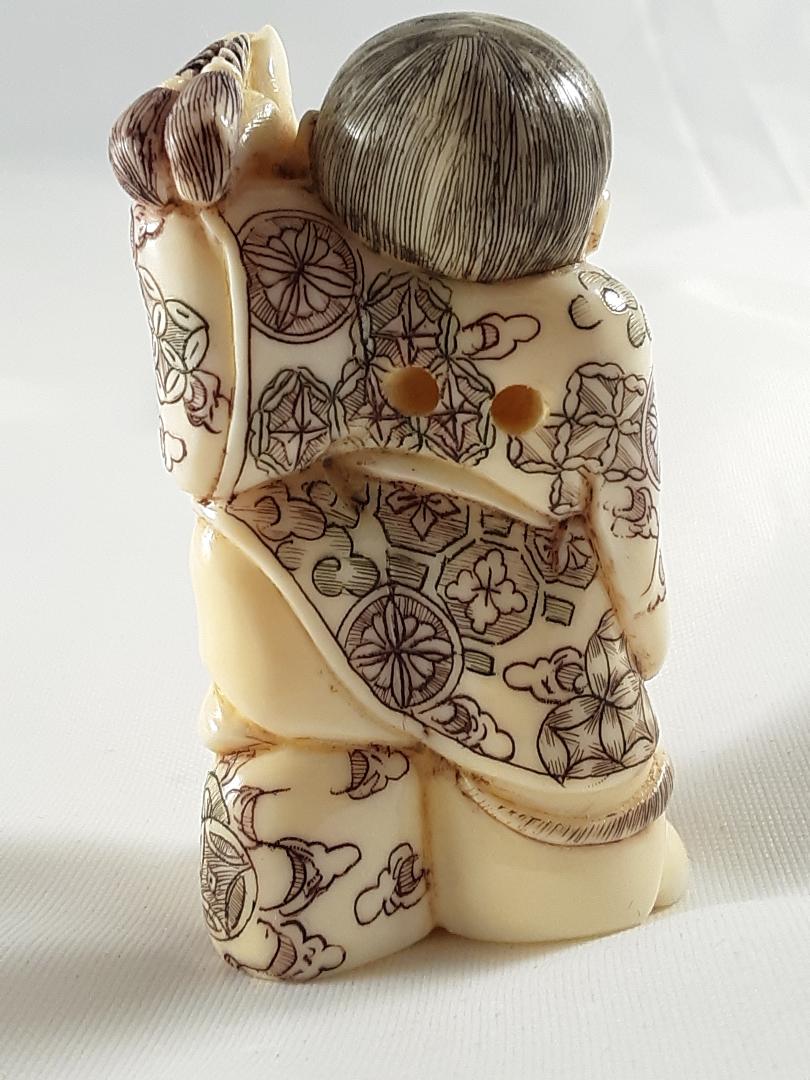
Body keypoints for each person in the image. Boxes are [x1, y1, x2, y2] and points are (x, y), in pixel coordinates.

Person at [110, 14, 687, 981]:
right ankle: (521, 865)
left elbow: (202, 444)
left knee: (241, 539)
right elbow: (629, 540)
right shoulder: (595, 331)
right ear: (591, 221)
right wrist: (646, 646)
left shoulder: (296, 282)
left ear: (324, 171)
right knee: (609, 848)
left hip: (314, 624)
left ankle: (320, 812)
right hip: (535, 695)